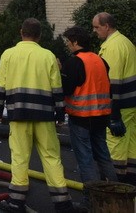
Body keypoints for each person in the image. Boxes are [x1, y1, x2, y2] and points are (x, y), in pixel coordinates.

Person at [0, 18, 78, 213]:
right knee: (51, 157)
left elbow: (0, 87)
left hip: (19, 115)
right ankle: (62, 203)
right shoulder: (48, 56)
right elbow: (57, 89)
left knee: (20, 158)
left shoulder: (8, 55)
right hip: (45, 117)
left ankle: (16, 201)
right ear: (40, 35)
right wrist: (59, 114)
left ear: (20, 32)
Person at [61, 25, 118, 208]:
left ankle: (91, 201)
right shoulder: (100, 60)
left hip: (81, 117)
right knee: (103, 156)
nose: (68, 45)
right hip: (101, 116)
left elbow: (67, 89)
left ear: (75, 42)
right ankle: (114, 195)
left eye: (69, 42)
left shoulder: (75, 62)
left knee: (85, 160)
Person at [93, 11, 136, 185]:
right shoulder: (125, 42)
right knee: (131, 142)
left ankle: (115, 185)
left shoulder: (113, 48)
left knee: (115, 144)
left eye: (97, 27)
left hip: (120, 105)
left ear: (106, 26)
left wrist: (114, 113)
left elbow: (112, 82)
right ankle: (131, 183)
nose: (94, 31)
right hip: (131, 102)